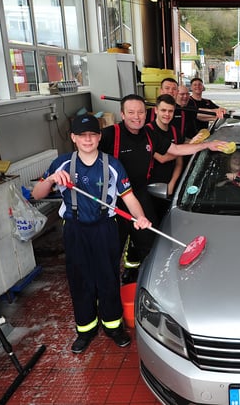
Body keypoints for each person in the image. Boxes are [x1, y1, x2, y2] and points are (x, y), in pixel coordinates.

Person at [32, 114, 151, 353]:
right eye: (82, 135)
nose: (88, 139)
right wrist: (53, 179)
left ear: (99, 137)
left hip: (105, 228)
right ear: (73, 138)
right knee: (80, 279)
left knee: (107, 277)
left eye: (93, 134)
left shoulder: (113, 165)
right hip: (75, 230)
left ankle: (113, 326)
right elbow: (37, 194)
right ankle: (85, 330)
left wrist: (141, 217)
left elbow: (128, 198)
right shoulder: (62, 164)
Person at [99, 94, 229, 283]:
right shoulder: (111, 134)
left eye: (141, 112)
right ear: (122, 114)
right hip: (113, 201)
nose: (137, 117)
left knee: (151, 247)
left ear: (147, 113)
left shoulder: (150, 134)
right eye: (131, 112)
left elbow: (176, 150)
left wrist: (207, 145)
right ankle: (109, 298)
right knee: (112, 250)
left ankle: (150, 287)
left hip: (140, 196)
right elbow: (87, 151)